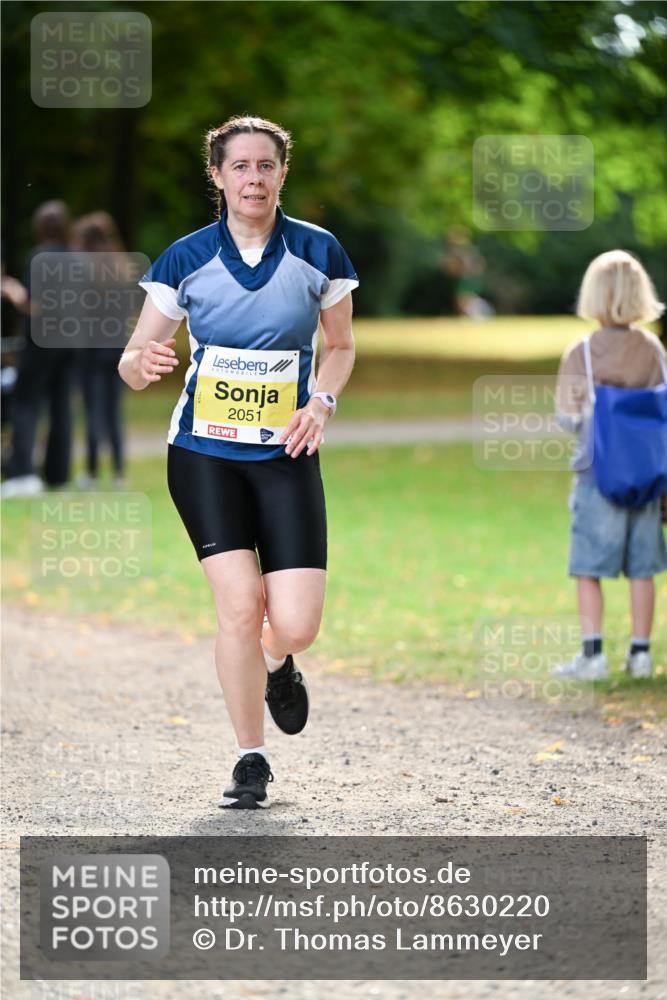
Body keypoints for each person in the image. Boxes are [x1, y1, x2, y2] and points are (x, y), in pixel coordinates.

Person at [118, 115, 358, 809]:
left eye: (265, 165)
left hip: (286, 452)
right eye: (240, 166)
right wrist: (145, 361)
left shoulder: (318, 251)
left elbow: (338, 347)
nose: (253, 177)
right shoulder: (184, 258)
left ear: (282, 173)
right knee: (237, 605)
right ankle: (249, 758)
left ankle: (279, 661)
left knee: (296, 622)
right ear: (217, 176)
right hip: (203, 456)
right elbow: (132, 361)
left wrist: (321, 404)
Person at [553, 250, 666, 681]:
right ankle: (640, 655)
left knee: (589, 566)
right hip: (647, 477)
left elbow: (567, 417)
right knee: (643, 568)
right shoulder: (653, 349)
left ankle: (593, 655)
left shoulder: (581, 353)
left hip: (598, 474)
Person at [2, 200, 75, 498]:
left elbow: (36, 305)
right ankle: (58, 475)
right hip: (72, 343)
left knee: (25, 403)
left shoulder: (40, 257)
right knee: (61, 407)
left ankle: (23, 473)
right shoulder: (79, 258)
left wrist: (12, 290)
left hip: (40, 343)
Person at [71, 212, 129, 488]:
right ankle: (119, 473)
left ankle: (92, 473)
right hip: (118, 347)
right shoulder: (121, 265)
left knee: (93, 411)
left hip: (91, 349)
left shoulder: (83, 270)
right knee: (114, 412)